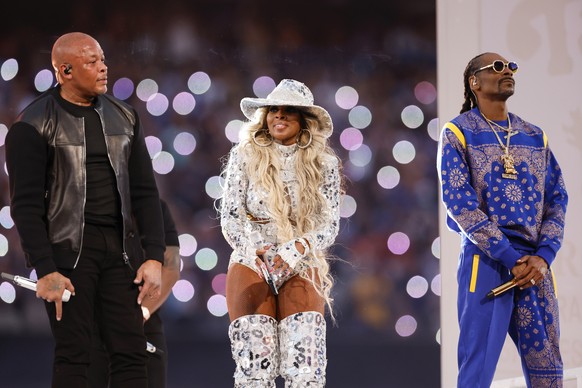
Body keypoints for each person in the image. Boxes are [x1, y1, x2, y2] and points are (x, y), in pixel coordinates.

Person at [5, 32, 165, 388]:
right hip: (68, 254)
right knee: (75, 353)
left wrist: (153, 255)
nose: (104, 67)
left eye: (103, 59)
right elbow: (25, 206)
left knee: (131, 351)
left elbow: (144, 191)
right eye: (92, 62)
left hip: (120, 250)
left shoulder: (125, 116)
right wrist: (44, 269)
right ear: (64, 70)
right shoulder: (31, 124)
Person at [437, 52, 568, 387]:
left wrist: (543, 257)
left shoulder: (534, 135)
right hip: (487, 262)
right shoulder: (458, 132)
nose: (507, 70)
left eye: (511, 66)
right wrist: (511, 257)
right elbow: (459, 204)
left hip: (535, 268)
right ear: (474, 82)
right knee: (477, 372)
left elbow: (557, 198)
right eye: (497, 67)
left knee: (549, 373)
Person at [220, 79, 343, 387]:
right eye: (273, 109)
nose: (279, 116)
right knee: (254, 373)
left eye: (289, 111)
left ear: (305, 120)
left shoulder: (323, 163)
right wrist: (252, 252)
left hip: (300, 261)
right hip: (253, 260)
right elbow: (231, 217)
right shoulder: (244, 156)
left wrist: (298, 248)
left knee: (305, 373)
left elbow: (329, 224)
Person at [88, 199, 181, 388]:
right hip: (94, 326)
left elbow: (171, 268)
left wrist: (141, 313)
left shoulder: (155, 208)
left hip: (142, 325)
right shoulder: (86, 204)